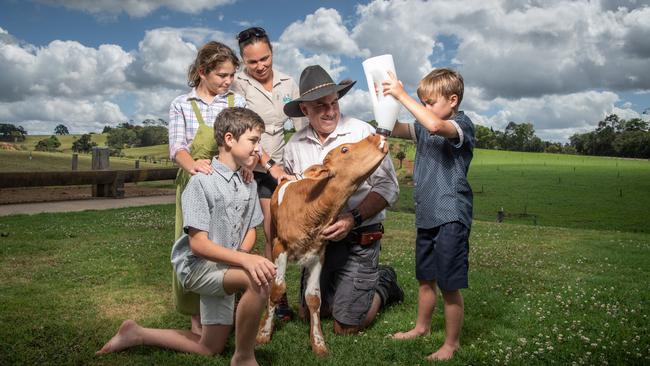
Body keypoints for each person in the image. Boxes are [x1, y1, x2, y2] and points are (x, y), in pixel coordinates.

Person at [97, 107, 276, 366]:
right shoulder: (201, 182)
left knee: (209, 347)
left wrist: (242, 257)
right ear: (229, 139)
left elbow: (250, 229)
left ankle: (136, 333)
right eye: (253, 140)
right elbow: (198, 244)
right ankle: (244, 357)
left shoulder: (248, 182)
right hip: (196, 266)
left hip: (224, 266)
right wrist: (244, 262)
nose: (258, 149)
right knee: (258, 281)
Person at [282, 65, 404, 334]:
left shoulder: (363, 134)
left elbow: (388, 187)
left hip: (360, 237)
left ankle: (384, 283)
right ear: (305, 110)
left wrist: (353, 218)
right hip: (321, 245)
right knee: (309, 313)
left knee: (346, 326)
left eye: (334, 103)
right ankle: (344, 289)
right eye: (320, 105)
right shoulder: (294, 147)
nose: (330, 111)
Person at [382, 68, 475, 361]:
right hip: (426, 214)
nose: (424, 108)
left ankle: (451, 344)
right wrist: (382, 101)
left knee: (449, 285)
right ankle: (421, 328)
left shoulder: (461, 125)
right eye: (422, 102)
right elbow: (397, 127)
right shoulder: (424, 123)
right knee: (426, 279)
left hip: (451, 215)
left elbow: (435, 126)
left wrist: (402, 94)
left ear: (453, 100)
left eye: (429, 102)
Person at [168, 41, 247, 334]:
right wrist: (194, 166)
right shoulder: (182, 105)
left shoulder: (236, 102)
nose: (228, 82)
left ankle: (225, 315)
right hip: (196, 183)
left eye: (231, 76)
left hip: (230, 182)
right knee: (195, 246)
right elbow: (177, 147)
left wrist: (248, 166)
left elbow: (247, 139)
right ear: (202, 72)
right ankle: (197, 319)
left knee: (229, 242)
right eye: (222, 76)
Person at [231, 26, 305, 321]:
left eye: (265, 58)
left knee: (274, 232)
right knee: (247, 233)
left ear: (272, 52)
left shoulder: (288, 81)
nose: (260, 66)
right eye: (252, 62)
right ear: (243, 62)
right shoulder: (236, 85)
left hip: (279, 166)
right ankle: (244, 293)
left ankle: (277, 296)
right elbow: (238, 126)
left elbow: (300, 125)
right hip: (250, 167)